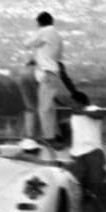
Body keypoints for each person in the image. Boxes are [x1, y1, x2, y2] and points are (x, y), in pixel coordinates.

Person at [24, 11, 66, 144]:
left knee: (43, 108)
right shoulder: (57, 35)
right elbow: (57, 54)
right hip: (54, 72)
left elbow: (27, 43)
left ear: (40, 22)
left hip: (47, 73)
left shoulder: (45, 31)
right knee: (50, 107)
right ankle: (55, 133)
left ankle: (48, 137)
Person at [68, 91, 106, 212]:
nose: (71, 105)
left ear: (80, 102)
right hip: (77, 154)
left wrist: (82, 112)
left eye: (73, 102)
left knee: (95, 182)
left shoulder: (93, 108)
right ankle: (77, 211)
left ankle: (101, 211)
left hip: (93, 151)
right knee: (75, 183)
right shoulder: (73, 117)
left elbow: (100, 115)